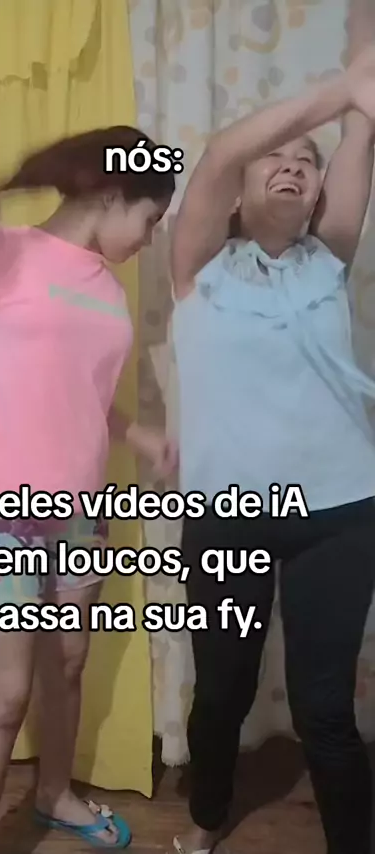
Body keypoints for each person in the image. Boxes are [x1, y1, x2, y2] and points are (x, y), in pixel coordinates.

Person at [0, 126, 176, 854]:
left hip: (79, 509)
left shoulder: (105, 287)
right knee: (4, 697)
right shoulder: (2, 253)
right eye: (150, 220)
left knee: (69, 662)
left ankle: (53, 793)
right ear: (111, 195)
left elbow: (75, 391)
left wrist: (138, 434)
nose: (150, 238)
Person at [170, 9, 375, 854]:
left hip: (342, 513)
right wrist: (343, 83)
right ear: (240, 188)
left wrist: (364, 46)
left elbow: (363, 126)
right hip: (228, 516)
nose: (294, 165)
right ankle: (206, 821)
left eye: (307, 162)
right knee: (223, 692)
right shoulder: (197, 266)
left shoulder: (330, 259)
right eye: (277, 157)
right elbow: (221, 151)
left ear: (320, 192)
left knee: (326, 709)